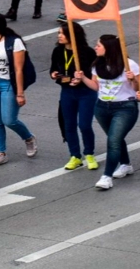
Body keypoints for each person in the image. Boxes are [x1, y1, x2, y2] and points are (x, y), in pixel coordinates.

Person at [74, 34, 140, 191]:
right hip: (102, 107)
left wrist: (133, 80)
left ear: (109, 47)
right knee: (115, 138)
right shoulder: (97, 65)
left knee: (113, 140)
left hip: (125, 108)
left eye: (99, 45)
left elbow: (138, 89)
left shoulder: (129, 65)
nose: (96, 47)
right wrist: (83, 78)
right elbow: (96, 87)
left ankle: (107, 176)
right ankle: (126, 164)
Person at [0, 13, 37, 166]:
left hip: (8, 84)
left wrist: (20, 93)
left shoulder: (14, 42)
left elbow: (18, 70)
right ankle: (1, 153)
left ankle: (28, 138)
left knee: (9, 120)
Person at [50, 22, 98, 171]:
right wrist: (54, 74)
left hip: (86, 93)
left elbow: (94, 73)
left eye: (62, 33)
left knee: (84, 125)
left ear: (73, 35)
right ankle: (75, 156)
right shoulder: (58, 51)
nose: (59, 36)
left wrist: (81, 78)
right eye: (59, 33)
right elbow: (54, 69)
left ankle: (89, 153)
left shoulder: (87, 52)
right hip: (67, 92)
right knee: (68, 125)